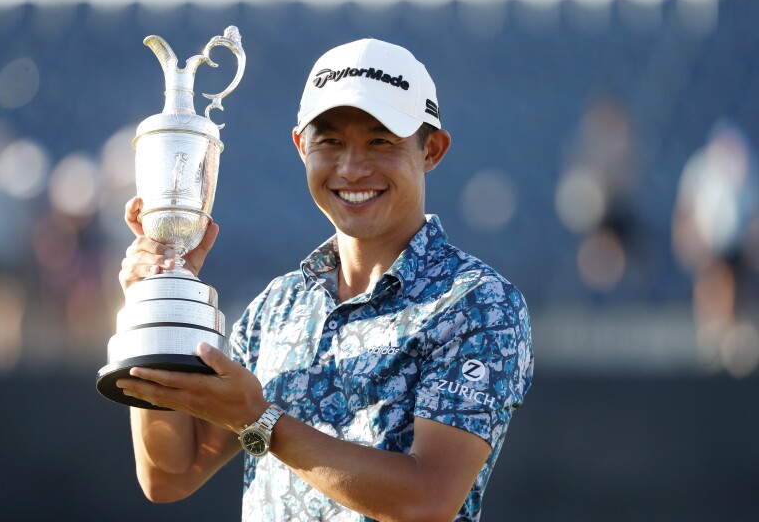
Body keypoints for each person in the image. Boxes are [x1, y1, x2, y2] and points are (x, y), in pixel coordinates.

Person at [116, 38, 534, 521]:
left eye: (381, 141)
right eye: (330, 141)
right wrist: (159, 306)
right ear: (301, 147)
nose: (352, 168)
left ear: (431, 149)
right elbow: (169, 475)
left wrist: (258, 419)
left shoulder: (477, 303)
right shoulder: (277, 306)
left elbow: (428, 500)